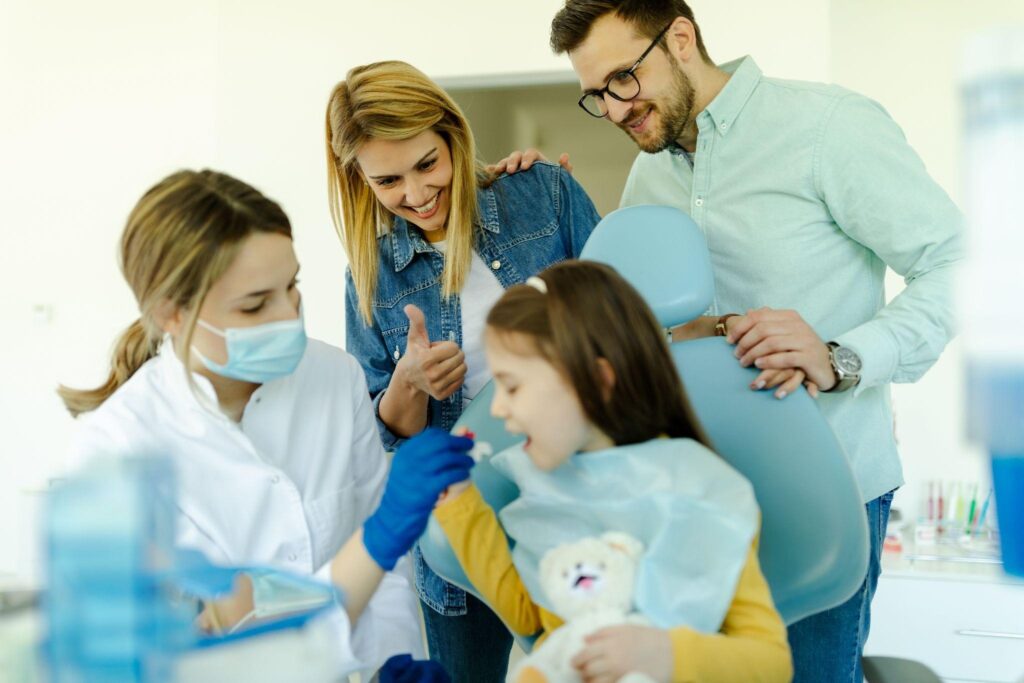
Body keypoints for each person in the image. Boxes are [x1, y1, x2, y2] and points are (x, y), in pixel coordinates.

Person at [491, 1, 963, 680]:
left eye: (623, 78)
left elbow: (956, 261)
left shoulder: (827, 127)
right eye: (596, 94)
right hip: (686, 501)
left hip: (822, 489)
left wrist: (842, 356)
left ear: (680, 38)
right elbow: (629, 324)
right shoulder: (647, 177)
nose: (617, 108)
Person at [59, 169, 469, 674]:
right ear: (172, 314)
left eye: (291, 286)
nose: (287, 314)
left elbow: (379, 566)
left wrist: (392, 659)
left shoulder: (334, 379)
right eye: (255, 304)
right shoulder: (116, 449)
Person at [325, 60, 602, 681]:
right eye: (387, 181)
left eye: (428, 164)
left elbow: (622, 321)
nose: (417, 195)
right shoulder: (370, 279)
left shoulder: (543, 193)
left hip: (581, 495)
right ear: (358, 180)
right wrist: (407, 386)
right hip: (461, 522)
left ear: (453, 134)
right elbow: (383, 433)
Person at [404, 260, 793, 683]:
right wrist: (458, 499)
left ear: (597, 381)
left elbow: (770, 663)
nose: (498, 409)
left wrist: (666, 654)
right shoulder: (546, 484)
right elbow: (526, 613)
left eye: (512, 387)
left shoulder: (698, 490)